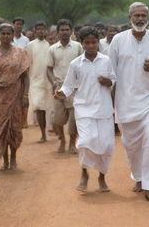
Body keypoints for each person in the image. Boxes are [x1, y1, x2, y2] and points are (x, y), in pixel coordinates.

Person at [109, 2, 149, 201]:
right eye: (136, 15)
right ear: (130, 18)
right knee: (132, 145)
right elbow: (110, 72)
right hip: (126, 102)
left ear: (147, 17)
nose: (140, 19)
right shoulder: (118, 41)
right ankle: (138, 177)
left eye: (143, 16)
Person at [54, 26, 116, 192]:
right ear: (81, 44)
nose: (90, 45)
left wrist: (108, 82)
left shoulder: (106, 60)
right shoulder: (76, 64)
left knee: (106, 144)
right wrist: (60, 93)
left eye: (93, 42)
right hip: (84, 109)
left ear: (97, 43)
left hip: (103, 109)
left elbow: (114, 81)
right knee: (86, 141)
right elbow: (68, 86)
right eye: (87, 42)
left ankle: (102, 177)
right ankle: (84, 173)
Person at [0, 23, 31, 169]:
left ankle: (13, 158)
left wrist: (25, 95)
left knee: (14, 127)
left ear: (12, 35)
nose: (6, 36)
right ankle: (5, 161)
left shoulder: (20, 53)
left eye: (9, 34)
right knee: (0, 128)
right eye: (3, 34)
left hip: (16, 95)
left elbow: (25, 76)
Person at [47, 19, 83, 153]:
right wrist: (53, 83)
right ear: (58, 32)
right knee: (58, 118)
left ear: (71, 31)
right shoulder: (52, 49)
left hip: (75, 86)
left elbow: (83, 65)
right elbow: (49, 69)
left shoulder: (78, 46)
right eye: (62, 30)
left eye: (67, 29)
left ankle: (72, 143)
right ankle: (62, 139)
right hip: (59, 86)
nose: (64, 32)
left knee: (74, 117)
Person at [27, 21, 53, 142]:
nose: (40, 31)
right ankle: (43, 134)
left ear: (45, 30)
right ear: (35, 31)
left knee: (49, 107)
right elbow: (28, 62)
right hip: (35, 80)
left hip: (49, 80)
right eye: (38, 29)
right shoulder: (31, 45)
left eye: (43, 29)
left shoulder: (50, 45)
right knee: (38, 106)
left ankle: (53, 130)